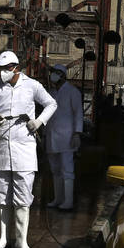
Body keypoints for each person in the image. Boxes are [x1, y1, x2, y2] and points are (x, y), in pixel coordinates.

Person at [0, 50, 57, 248]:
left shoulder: (32, 86)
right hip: (0, 149)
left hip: (24, 149)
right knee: (2, 195)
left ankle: (22, 241)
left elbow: (51, 103)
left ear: (15, 67)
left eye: (5, 69)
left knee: (23, 196)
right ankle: (3, 238)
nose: (1, 72)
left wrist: (39, 121)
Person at [44, 64, 83, 211]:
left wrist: (77, 133)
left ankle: (68, 200)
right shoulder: (51, 93)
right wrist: (45, 133)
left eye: (55, 73)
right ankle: (58, 198)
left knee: (67, 169)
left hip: (68, 137)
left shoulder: (73, 92)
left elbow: (78, 113)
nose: (53, 76)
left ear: (62, 75)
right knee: (55, 169)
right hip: (52, 136)